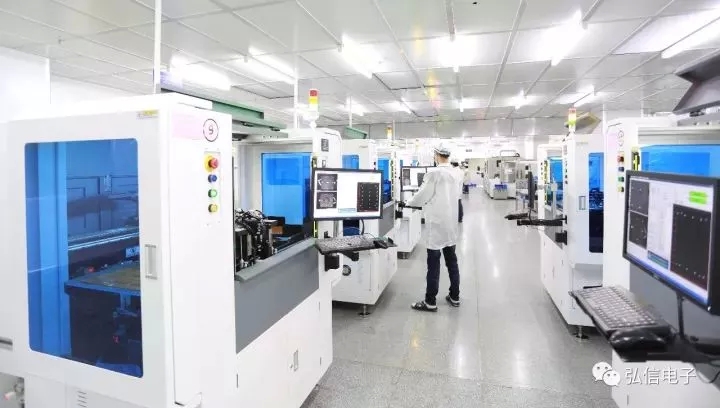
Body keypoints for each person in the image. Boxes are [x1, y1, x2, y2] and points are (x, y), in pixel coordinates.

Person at [401, 145, 461, 311]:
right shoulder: (456, 173)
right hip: (450, 225)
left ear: (436, 155)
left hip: (436, 225)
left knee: (433, 264)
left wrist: (408, 203)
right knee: (452, 262)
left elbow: (422, 196)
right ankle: (455, 296)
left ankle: (430, 301)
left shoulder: (434, 173)